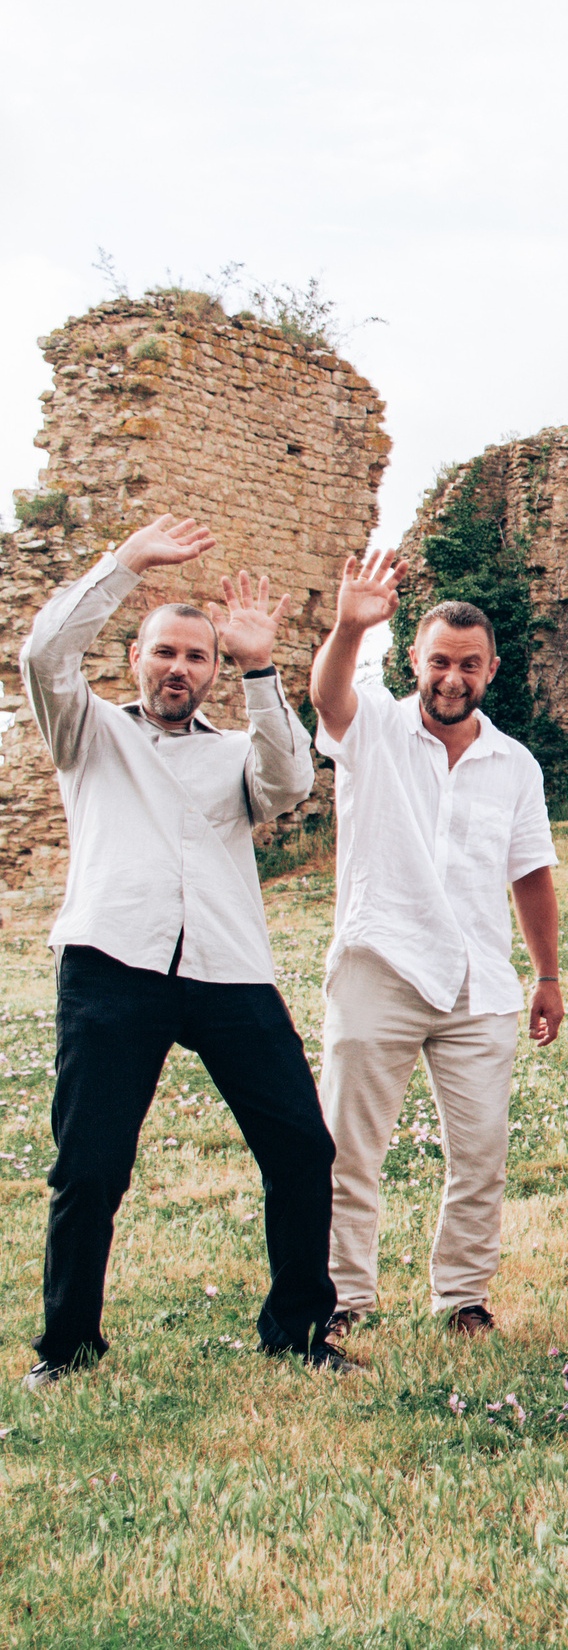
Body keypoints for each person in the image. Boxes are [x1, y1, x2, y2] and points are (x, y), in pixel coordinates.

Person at [19, 515, 344, 1385]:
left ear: (210, 672)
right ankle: (68, 1347)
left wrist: (261, 668)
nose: (179, 669)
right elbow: (43, 654)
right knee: (88, 1166)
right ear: (136, 659)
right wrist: (126, 564)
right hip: (110, 967)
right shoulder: (87, 733)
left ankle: (300, 1330)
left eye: (196, 658)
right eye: (165, 653)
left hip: (228, 970)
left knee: (303, 1149)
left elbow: (289, 785)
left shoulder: (238, 750)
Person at [311, 554, 563, 1341]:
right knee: (350, 1149)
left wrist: (548, 973)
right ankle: (344, 1297)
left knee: (481, 1154)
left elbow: (531, 874)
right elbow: (328, 695)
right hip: (378, 963)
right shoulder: (374, 727)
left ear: (492, 668)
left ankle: (462, 1297)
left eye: (468, 664)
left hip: (477, 980)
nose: (452, 677)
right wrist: (352, 624)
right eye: (438, 662)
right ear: (415, 662)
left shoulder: (514, 763)